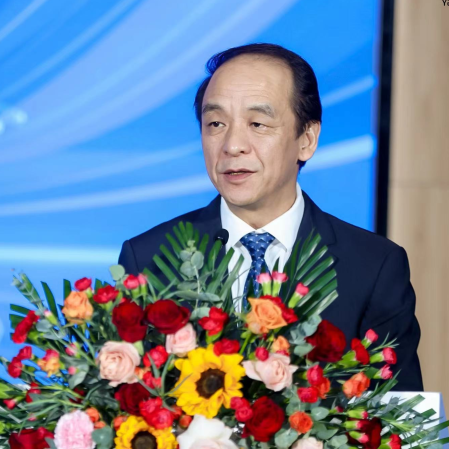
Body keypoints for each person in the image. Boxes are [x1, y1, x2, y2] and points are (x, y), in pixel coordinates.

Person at [119, 43, 423, 391]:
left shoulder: (373, 267)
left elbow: (401, 413)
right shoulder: (149, 258)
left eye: (257, 123)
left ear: (306, 140)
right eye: (215, 123)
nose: (232, 145)